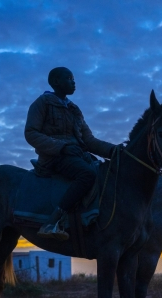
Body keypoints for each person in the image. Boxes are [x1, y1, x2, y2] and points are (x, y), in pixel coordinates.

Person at [24, 67, 116, 240]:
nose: (74, 82)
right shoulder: (42, 103)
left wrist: (115, 151)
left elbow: (89, 141)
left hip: (77, 156)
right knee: (87, 174)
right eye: (69, 78)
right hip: (54, 158)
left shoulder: (75, 110)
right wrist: (62, 147)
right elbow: (31, 133)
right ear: (56, 82)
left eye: (74, 79)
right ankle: (53, 221)